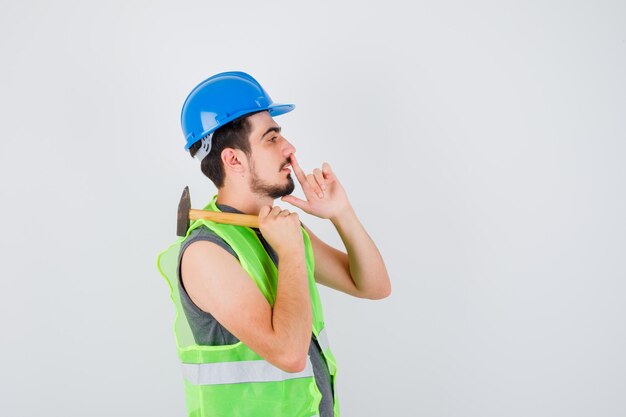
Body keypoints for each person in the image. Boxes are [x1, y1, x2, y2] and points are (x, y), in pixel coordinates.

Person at [157, 71, 391, 417]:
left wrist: (341, 213)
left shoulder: (276, 229)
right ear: (233, 159)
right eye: (271, 138)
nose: (289, 147)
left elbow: (373, 286)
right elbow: (289, 354)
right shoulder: (206, 253)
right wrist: (293, 251)